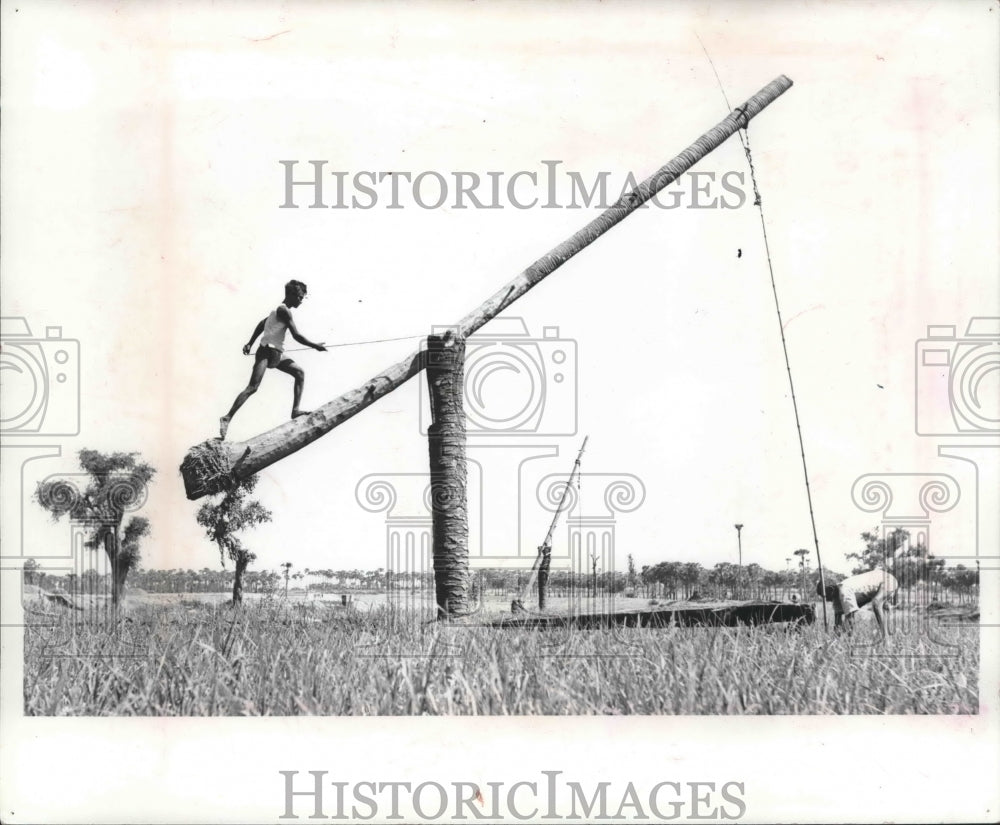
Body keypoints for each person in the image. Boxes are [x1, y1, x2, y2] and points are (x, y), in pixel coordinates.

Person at [220, 280, 327, 439]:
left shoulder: (275, 312)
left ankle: (295, 411)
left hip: (276, 354)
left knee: (299, 374)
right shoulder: (284, 311)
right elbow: (296, 335)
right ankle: (226, 418)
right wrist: (314, 345)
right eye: (299, 297)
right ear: (291, 295)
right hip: (266, 352)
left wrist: (249, 343)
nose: (301, 300)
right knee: (252, 387)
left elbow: (261, 324)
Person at [817, 569, 898, 639]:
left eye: (825, 596)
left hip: (887, 580)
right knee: (847, 619)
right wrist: (834, 640)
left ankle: (886, 639)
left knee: (876, 603)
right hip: (870, 591)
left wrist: (849, 640)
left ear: (831, 590)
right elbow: (837, 623)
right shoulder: (835, 598)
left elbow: (850, 620)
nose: (825, 600)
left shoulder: (844, 592)